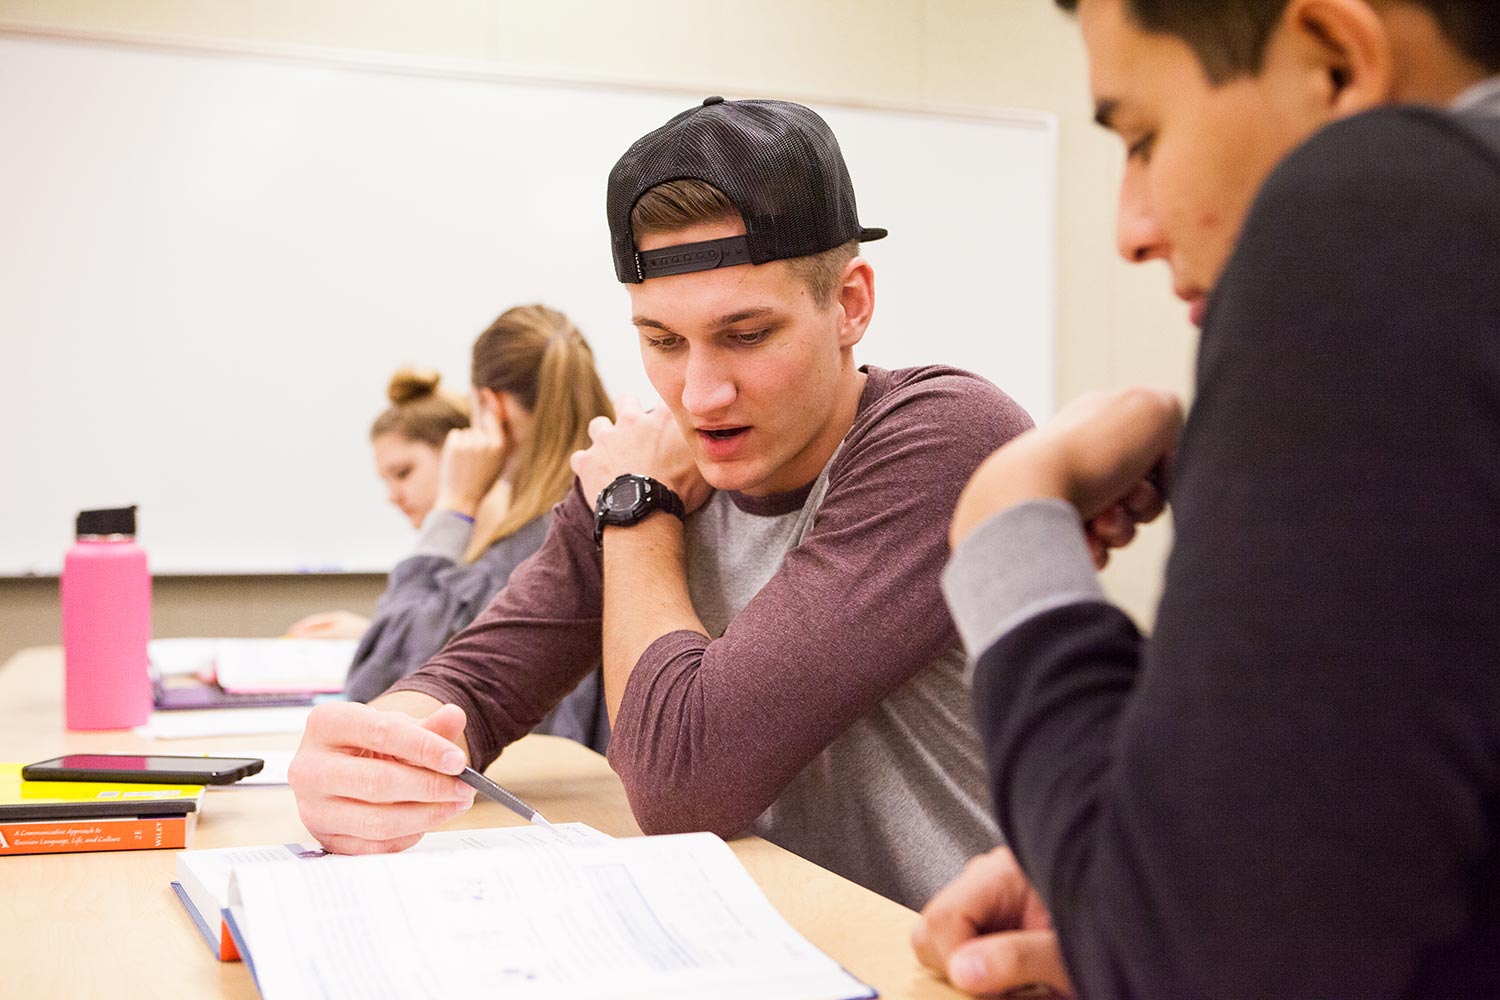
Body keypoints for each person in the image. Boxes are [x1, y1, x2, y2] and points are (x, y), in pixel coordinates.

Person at [286, 96, 1034, 909]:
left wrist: (635, 510)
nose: (702, 395)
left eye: (747, 335)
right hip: (775, 939)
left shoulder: (945, 437)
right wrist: (374, 750)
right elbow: (485, 676)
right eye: (664, 342)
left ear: (850, 304)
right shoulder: (647, 460)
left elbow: (684, 782)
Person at [914, 1, 1500, 996]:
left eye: (1143, 138)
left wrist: (1007, 515)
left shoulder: (1383, 202)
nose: (1129, 230)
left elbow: (1210, 958)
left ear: (1335, 64)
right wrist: (1142, 873)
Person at [339, 305, 616, 754]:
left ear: (490, 407)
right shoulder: (608, 500)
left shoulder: (537, 539)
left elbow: (379, 685)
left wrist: (454, 505)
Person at [286, 368, 470, 641]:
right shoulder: (453, 549)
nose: (393, 496)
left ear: (458, 454)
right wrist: (370, 635)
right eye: (386, 481)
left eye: (403, 473)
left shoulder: (500, 554)